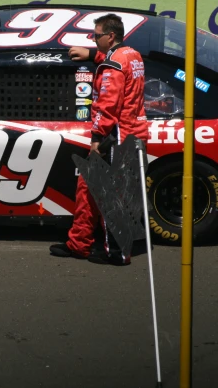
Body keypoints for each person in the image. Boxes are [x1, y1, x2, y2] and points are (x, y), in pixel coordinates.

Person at [50, 14, 148, 265]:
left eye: (96, 36)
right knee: (88, 187)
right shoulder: (132, 55)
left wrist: (96, 139)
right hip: (132, 134)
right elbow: (115, 65)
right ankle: (79, 244)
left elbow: (107, 105)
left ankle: (117, 254)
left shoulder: (112, 66)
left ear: (110, 36)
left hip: (115, 137)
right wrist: (93, 56)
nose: (94, 40)